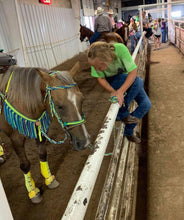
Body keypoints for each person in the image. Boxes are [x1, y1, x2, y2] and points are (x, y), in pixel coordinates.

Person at [87, 42, 151, 143]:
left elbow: (133, 72)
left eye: (98, 67)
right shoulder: (96, 57)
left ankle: (124, 121)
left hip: (127, 78)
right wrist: (113, 91)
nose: (96, 70)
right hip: (113, 81)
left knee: (146, 104)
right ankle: (123, 113)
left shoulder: (120, 49)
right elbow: (101, 78)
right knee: (138, 81)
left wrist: (120, 92)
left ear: (107, 59)